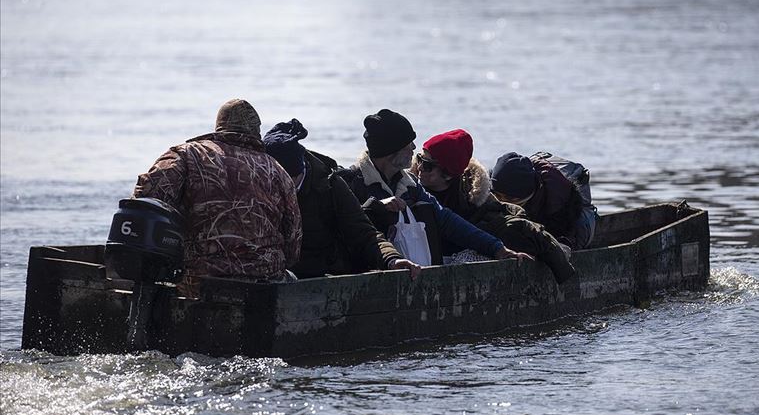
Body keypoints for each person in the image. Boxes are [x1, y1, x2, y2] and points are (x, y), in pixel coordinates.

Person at [132, 99, 302, 296]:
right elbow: (293, 247)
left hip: (198, 282)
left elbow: (144, 202)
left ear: (220, 126)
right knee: (293, 280)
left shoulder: (187, 154)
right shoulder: (278, 171)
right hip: (264, 285)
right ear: (256, 131)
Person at [336, 109, 532, 265]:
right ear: (390, 151)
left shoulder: (411, 186)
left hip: (413, 277)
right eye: (408, 144)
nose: (414, 148)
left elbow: (448, 221)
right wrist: (375, 207)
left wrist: (497, 248)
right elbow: (346, 230)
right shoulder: (350, 183)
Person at [262, 119, 421, 280]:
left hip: (324, 276)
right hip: (278, 276)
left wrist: (392, 260)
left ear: (299, 172)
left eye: (286, 182)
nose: (281, 189)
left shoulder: (330, 184)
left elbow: (364, 233)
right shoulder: (259, 187)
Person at [411, 129, 576, 284]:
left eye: (427, 165)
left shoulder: (473, 202)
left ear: (447, 174)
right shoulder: (409, 188)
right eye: (419, 159)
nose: (419, 168)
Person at [490, 151, 596, 250]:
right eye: (498, 195)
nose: (502, 201)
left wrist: (563, 245)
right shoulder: (491, 186)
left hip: (572, 217)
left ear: (528, 194)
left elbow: (567, 229)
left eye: (509, 198)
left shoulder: (557, 196)